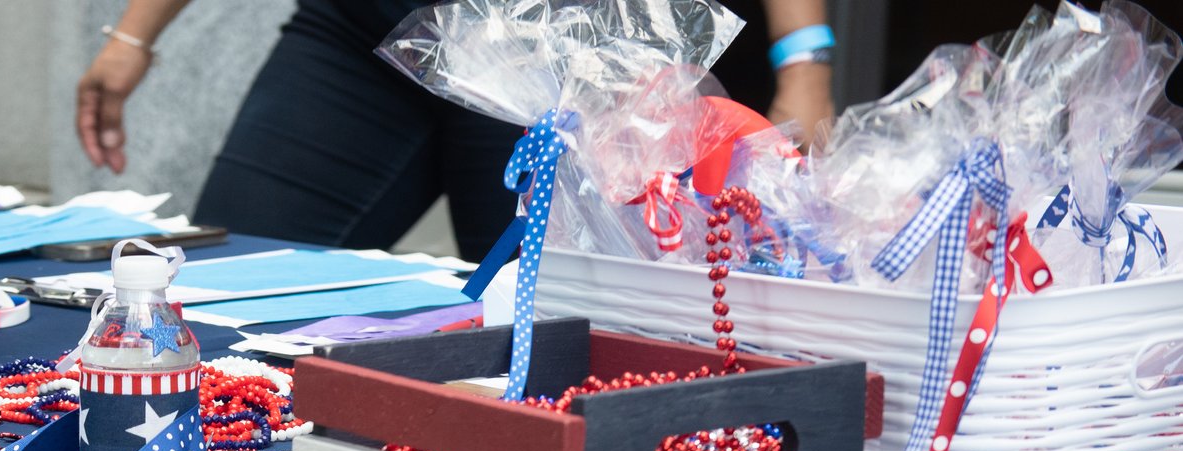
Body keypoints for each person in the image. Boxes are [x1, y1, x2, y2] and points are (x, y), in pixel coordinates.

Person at [76, 0, 840, 261]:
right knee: (215, 289)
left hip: (571, 48)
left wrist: (804, 63)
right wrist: (135, 34)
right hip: (368, 34)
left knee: (543, 352)